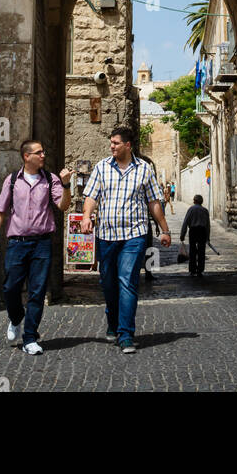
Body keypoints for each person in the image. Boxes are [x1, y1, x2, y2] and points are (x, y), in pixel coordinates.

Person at [81, 126, 171, 353]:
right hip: (107, 235)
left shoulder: (144, 169)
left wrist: (165, 229)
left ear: (128, 145)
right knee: (108, 284)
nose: (111, 146)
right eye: (111, 142)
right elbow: (92, 195)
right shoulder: (102, 167)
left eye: (116, 143)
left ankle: (126, 335)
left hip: (134, 235)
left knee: (128, 282)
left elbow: (153, 202)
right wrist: (86, 216)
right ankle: (112, 322)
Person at [0, 140, 71, 355]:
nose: (43, 155)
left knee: (37, 291)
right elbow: (0, 210)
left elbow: (63, 205)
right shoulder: (13, 180)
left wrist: (66, 185)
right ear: (26, 156)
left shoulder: (50, 179)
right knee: (10, 288)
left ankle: (30, 338)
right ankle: (16, 317)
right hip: (17, 243)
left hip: (42, 243)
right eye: (39, 152)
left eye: (43, 152)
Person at [180, 194, 210, 278]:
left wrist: (182, 234)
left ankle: (193, 269)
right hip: (202, 231)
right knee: (201, 251)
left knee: (192, 250)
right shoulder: (205, 210)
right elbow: (208, 225)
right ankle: (200, 270)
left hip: (193, 231)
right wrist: (208, 237)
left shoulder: (191, 209)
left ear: (194, 201)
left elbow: (185, 222)